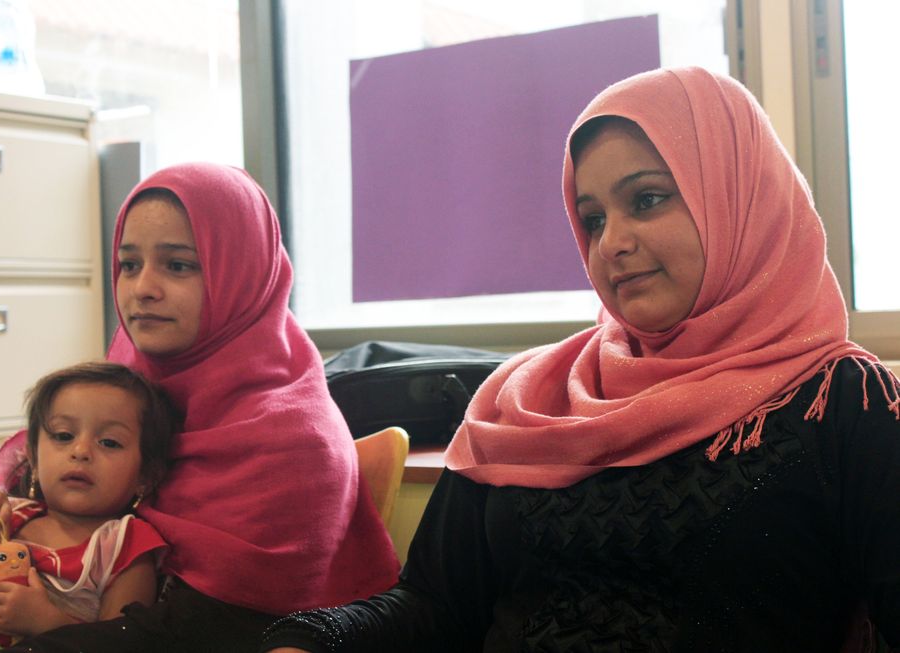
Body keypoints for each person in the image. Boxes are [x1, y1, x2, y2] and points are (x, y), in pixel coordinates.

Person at [257, 67, 900, 652]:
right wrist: (315, 639)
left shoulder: (842, 402)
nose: (612, 244)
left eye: (646, 199)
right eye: (591, 219)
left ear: (738, 198)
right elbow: (436, 605)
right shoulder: (525, 397)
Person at [0, 163, 400, 652]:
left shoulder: (292, 441)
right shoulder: (126, 390)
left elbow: (188, 634)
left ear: (240, 273)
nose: (141, 288)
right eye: (129, 264)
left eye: (178, 265)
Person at [0, 361, 178, 652]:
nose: (80, 452)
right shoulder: (8, 516)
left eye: (109, 442)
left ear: (145, 476)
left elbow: (118, 642)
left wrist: (47, 620)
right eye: (63, 436)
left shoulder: (125, 545)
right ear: (32, 457)